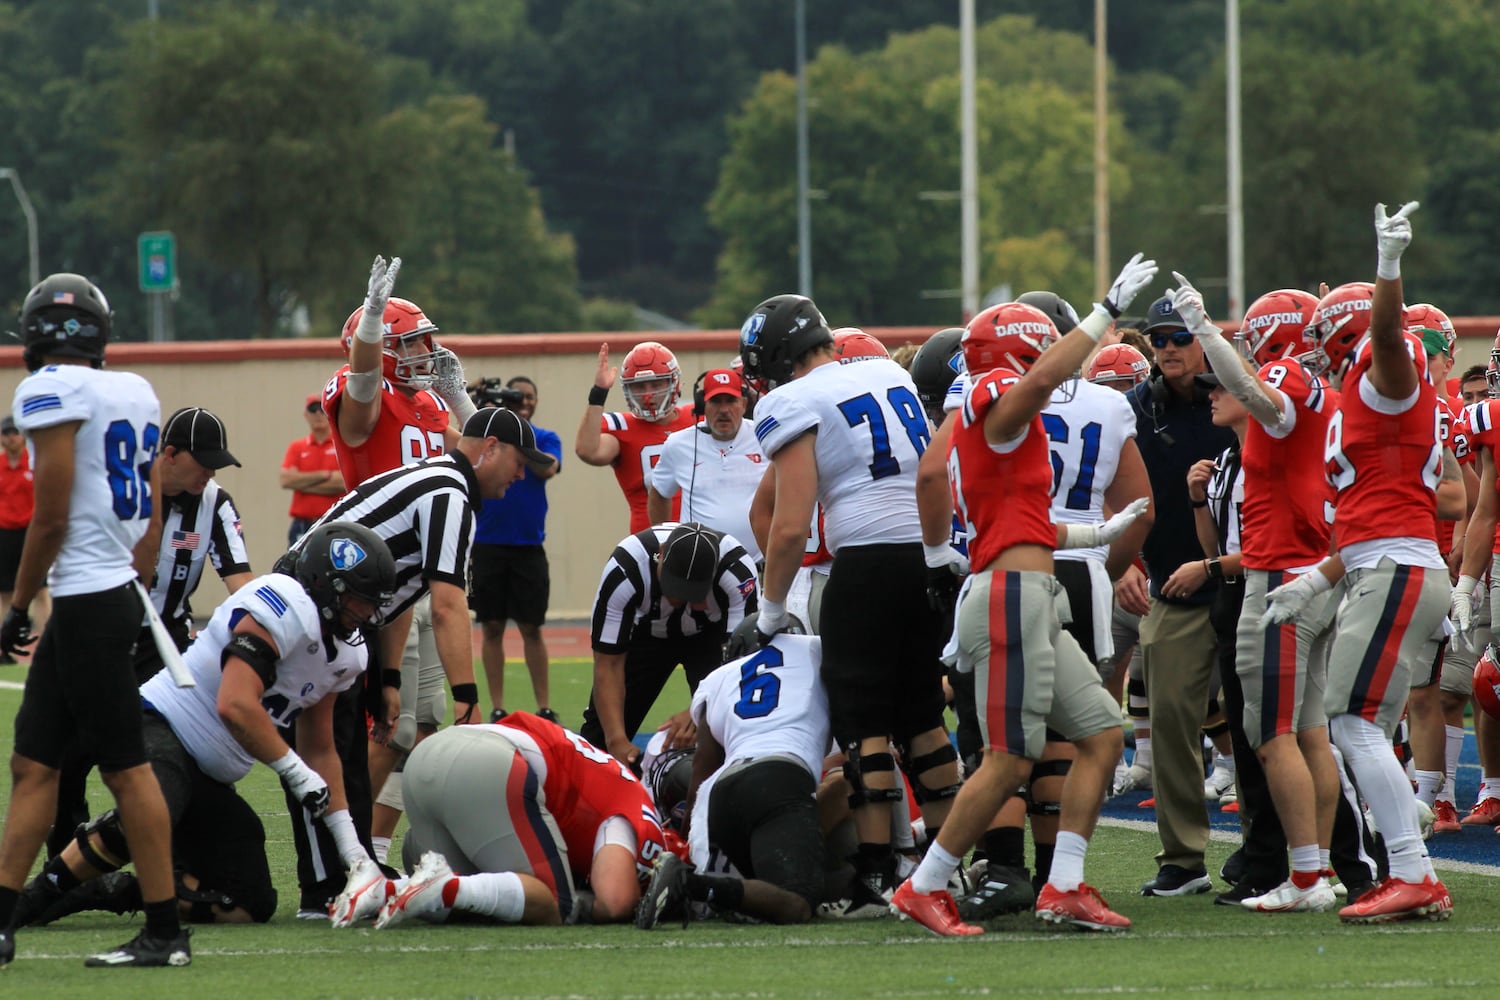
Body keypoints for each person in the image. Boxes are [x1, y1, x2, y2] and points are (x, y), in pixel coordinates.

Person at [890, 255, 1156, 936]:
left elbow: (1028, 520)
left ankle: (1063, 884)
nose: (1051, 357)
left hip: (1032, 586)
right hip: (1009, 594)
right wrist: (1103, 315)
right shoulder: (996, 409)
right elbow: (1040, 378)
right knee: (1009, 755)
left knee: (1101, 734)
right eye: (1038, 345)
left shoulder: (1004, 425)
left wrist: (1100, 531)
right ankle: (924, 886)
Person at [10, 522, 396, 930]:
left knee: (248, 901)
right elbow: (235, 704)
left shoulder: (347, 656)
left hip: (208, 776)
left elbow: (319, 748)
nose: (368, 614)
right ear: (326, 584)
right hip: (162, 726)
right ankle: (34, 896)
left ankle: (106, 890)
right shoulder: (284, 604)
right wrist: (295, 772)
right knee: (155, 802)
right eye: (359, 600)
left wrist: (353, 851)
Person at [743, 293, 960, 911]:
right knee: (922, 715)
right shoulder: (889, 370)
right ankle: (946, 863)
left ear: (776, 357)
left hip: (863, 565)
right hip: (926, 554)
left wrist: (769, 609)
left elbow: (789, 526)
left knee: (863, 723)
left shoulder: (791, 399)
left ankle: (876, 872)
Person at [1266, 202, 1453, 923]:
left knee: (1353, 722)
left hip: (1397, 571)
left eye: (1322, 338)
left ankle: (1412, 870)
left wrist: (1386, 269)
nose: (1313, 350)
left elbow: (1384, 333)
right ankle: (1412, 868)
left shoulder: (1383, 373)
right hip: (1382, 565)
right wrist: (1316, 578)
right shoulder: (1363, 392)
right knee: (1357, 720)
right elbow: (1371, 512)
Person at [0, 273, 186, 968]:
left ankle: (165, 933)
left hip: (83, 597)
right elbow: (154, 511)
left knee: (127, 769)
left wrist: (18, 606)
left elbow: (48, 515)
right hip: (105, 593)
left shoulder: (49, 390)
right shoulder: (135, 391)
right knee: (33, 764)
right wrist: (132, 573)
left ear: (37, 332)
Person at [306, 406, 553, 909]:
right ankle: (323, 887)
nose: (522, 474)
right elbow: (446, 604)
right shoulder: (449, 490)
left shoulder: (440, 480)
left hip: (335, 620)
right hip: (312, 618)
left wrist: (389, 676)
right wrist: (468, 700)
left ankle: (348, 870)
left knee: (349, 755)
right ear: (491, 449)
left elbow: (396, 589)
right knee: (324, 755)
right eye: (518, 461)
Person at [48, 404, 255, 859]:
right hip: (105, 637)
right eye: (203, 462)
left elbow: (240, 581)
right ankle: (65, 864)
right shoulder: (118, 492)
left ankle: (189, 860)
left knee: (180, 749)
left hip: (168, 642)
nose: (209, 473)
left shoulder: (215, 504)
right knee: (71, 754)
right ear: (170, 454)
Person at [333, 711, 670, 928]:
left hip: (428, 761)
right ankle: (447, 885)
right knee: (556, 903)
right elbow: (614, 902)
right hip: (489, 766)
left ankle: (385, 887)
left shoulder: (606, 773)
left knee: (477, 906)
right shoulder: (637, 807)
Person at [1123, 292, 1239, 897]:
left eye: (1179, 336)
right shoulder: (1135, 407)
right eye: (1158, 338)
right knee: (1168, 721)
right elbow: (1111, 493)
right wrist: (1121, 564)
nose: (1166, 348)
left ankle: (1285, 851)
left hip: (1251, 583)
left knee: (1271, 725)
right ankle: (1183, 857)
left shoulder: (1247, 397)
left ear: (1204, 337)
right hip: (1172, 581)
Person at [636, 613, 828, 928]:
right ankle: (688, 884)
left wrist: (686, 845)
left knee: (765, 887)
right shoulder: (816, 650)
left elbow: (703, 770)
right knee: (797, 902)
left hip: (722, 795)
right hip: (780, 779)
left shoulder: (719, 677)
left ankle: (705, 885)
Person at [582, 521, 759, 768]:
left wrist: (699, 711)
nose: (679, 597)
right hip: (647, 634)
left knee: (729, 727)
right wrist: (616, 740)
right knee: (597, 743)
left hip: (710, 635)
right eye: (673, 585)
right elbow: (608, 664)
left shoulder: (737, 573)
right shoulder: (626, 569)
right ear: (661, 553)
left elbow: (740, 665)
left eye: (691, 591)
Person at [469, 377, 563, 723]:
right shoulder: (490, 441)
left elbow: (547, 467)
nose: (523, 401)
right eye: (516, 396)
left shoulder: (545, 438)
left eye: (529, 396)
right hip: (487, 545)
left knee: (531, 627)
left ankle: (544, 706)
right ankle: (497, 705)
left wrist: (520, 438)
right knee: (491, 627)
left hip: (528, 547)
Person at [575, 341, 695, 534]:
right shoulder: (623, 428)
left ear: (674, 383)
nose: (648, 395)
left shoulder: (697, 418)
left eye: (656, 384)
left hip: (700, 536)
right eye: (639, 387)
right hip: (648, 541)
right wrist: (599, 393)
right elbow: (588, 451)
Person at [647, 368, 767, 561]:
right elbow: (659, 492)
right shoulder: (679, 444)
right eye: (716, 402)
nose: (724, 410)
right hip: (701, 567)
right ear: (703, 405)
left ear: (744, 404)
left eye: (731, 401)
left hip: (760, 565)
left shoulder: (764, 437)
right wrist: (666, 538)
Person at [0, 414, 40, 660]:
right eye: (6, 433)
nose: (11, 437)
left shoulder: (33, 463)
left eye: (15, 432)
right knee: (5, 591)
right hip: (4, 532)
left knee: (41, 590)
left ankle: (45, 642)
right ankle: (5, 644)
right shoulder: (1, 465)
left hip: (29, 531)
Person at [281, 392, 345, 546]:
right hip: (303, 524)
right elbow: (286, 480)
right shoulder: (297, 447)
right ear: (306, 415)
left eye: (322, 409)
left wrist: (303, 483)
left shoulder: (342, 445)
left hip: (334, 521)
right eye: (313, 409)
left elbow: (342, 483)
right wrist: (325, 475)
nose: (317, 413)